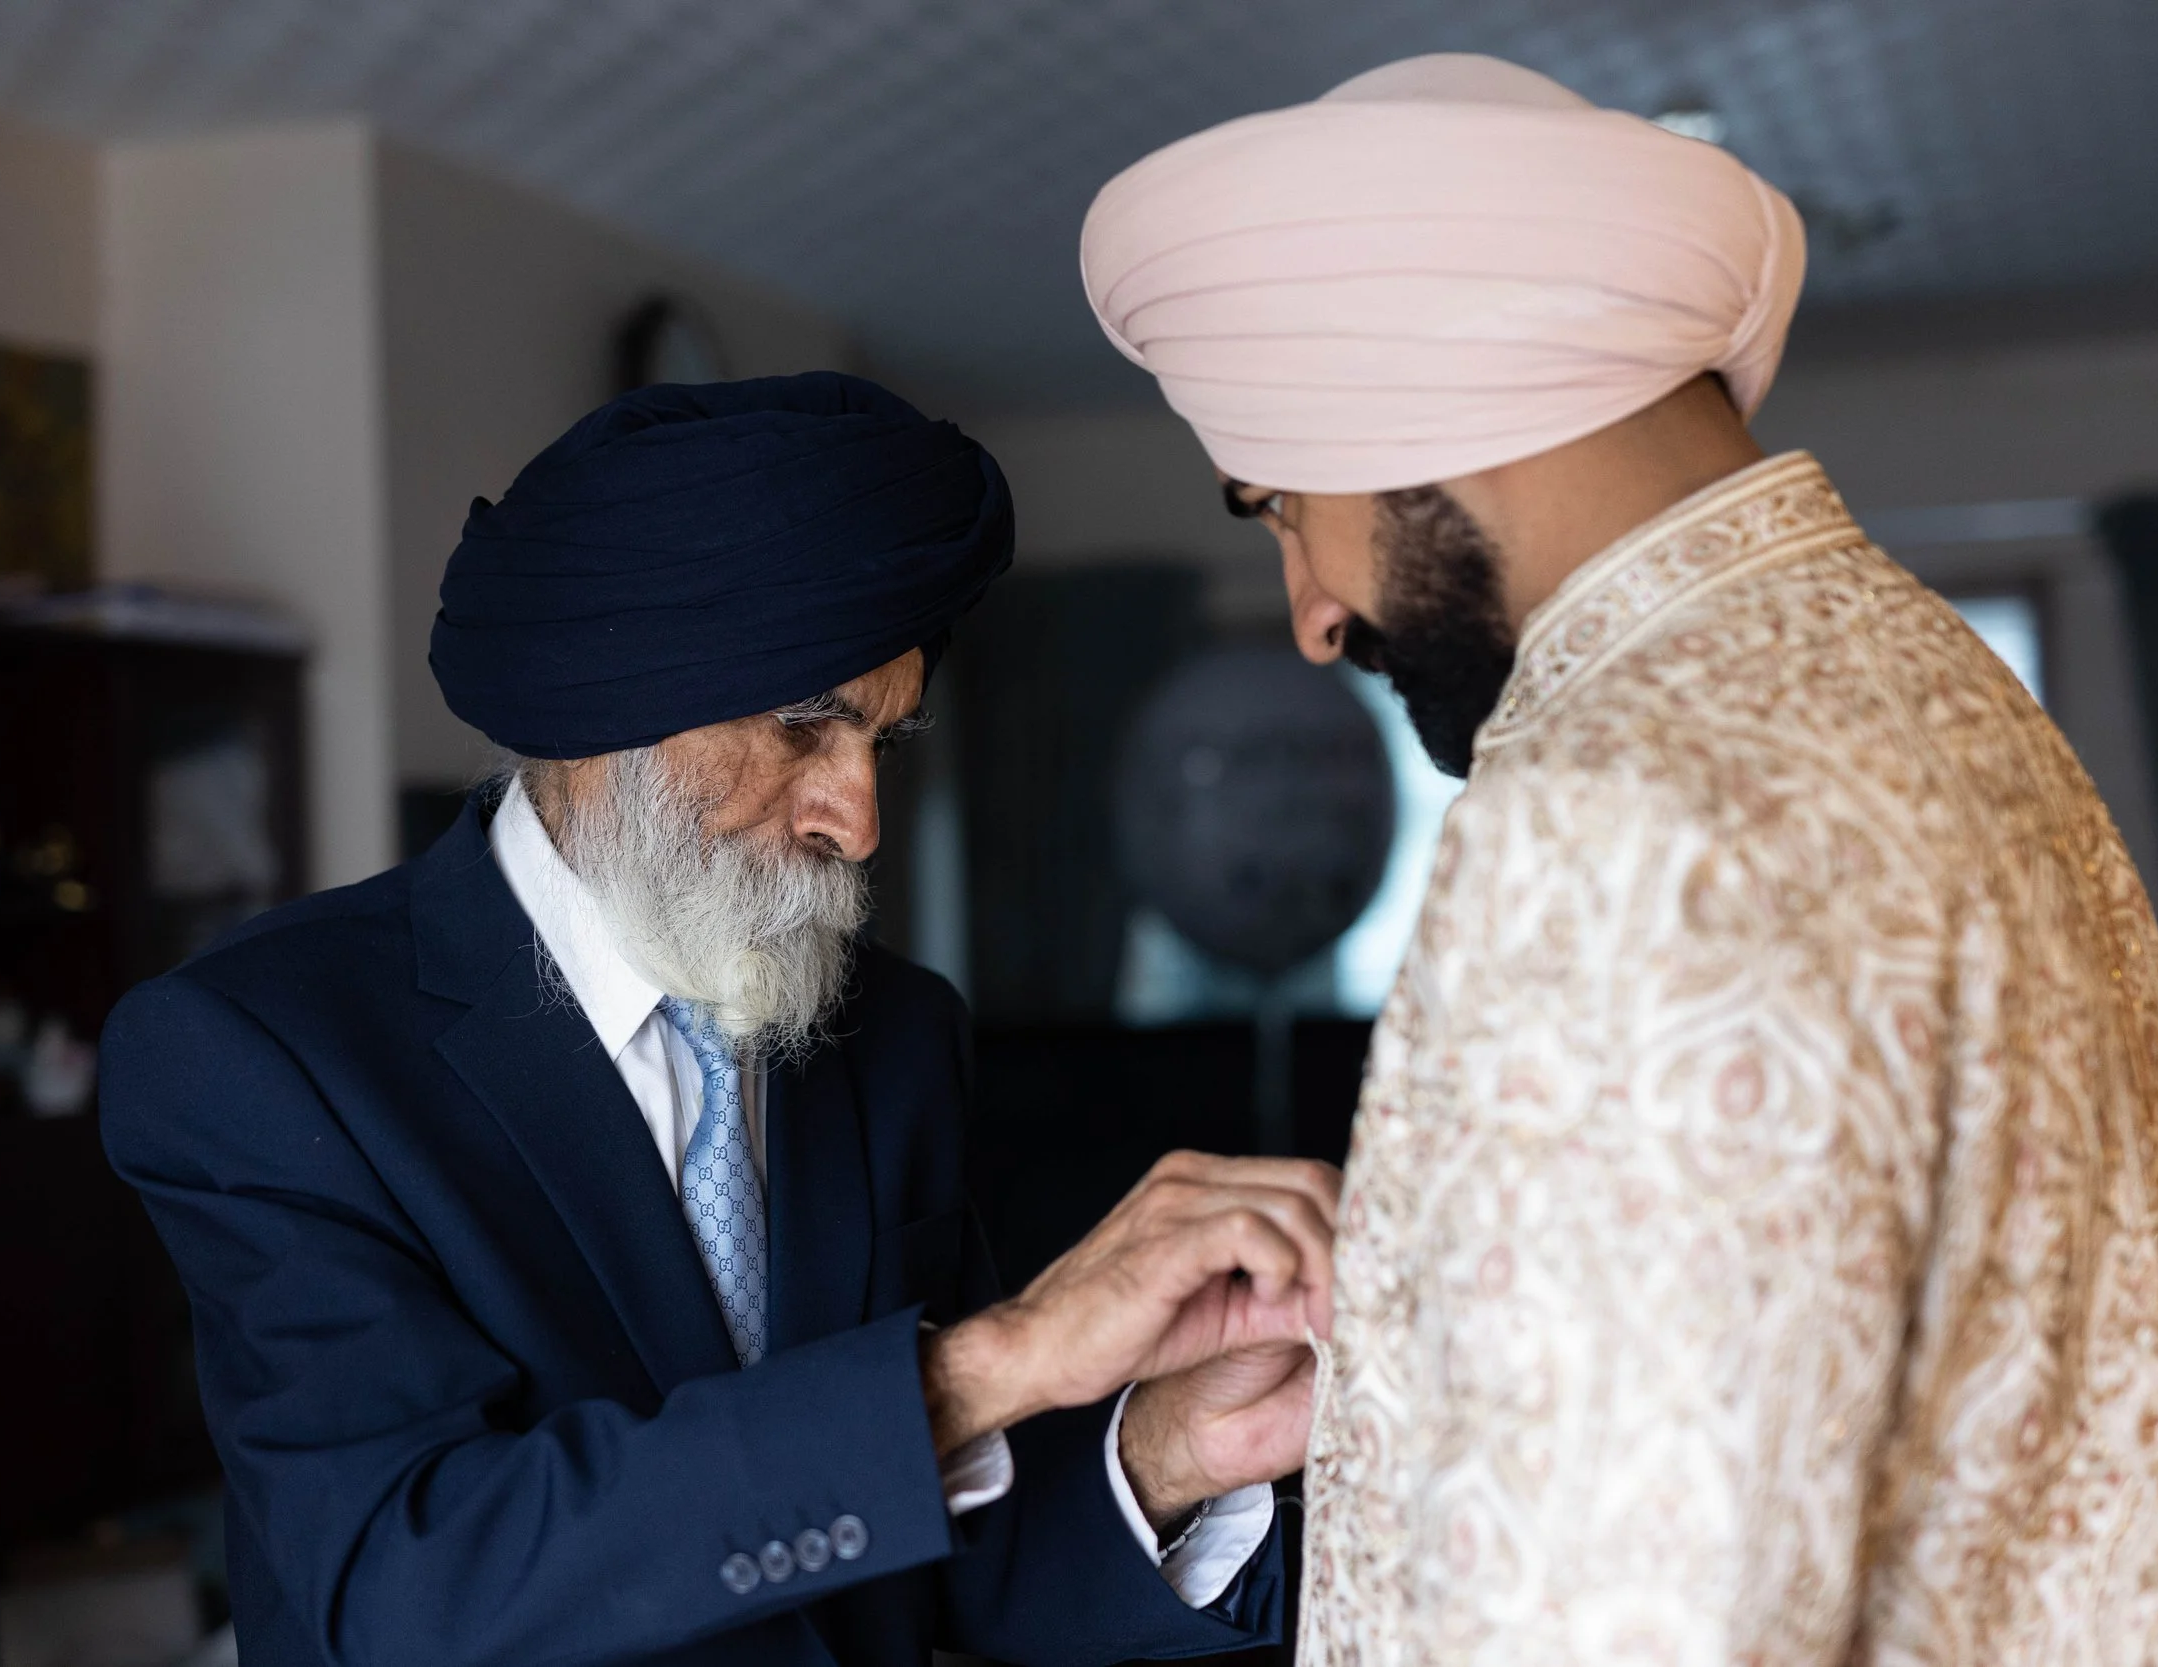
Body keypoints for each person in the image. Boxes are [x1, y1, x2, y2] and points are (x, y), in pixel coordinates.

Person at [1081, 53, 2158, 1666]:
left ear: (1403, 416)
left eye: (1279, 504)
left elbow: (1619, 1611)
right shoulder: (1951, 696)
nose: (1310, 616)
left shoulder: (1619, 806)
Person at [100, 373, 1335, 1667]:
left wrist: (1176, 1447)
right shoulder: (264, 1050)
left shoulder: (896, 1034)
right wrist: (991, 1364)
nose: (855, 820)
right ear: (603, 716)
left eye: (885, 746)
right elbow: (403, 1591)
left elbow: (932, 1553)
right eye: (808, 729)